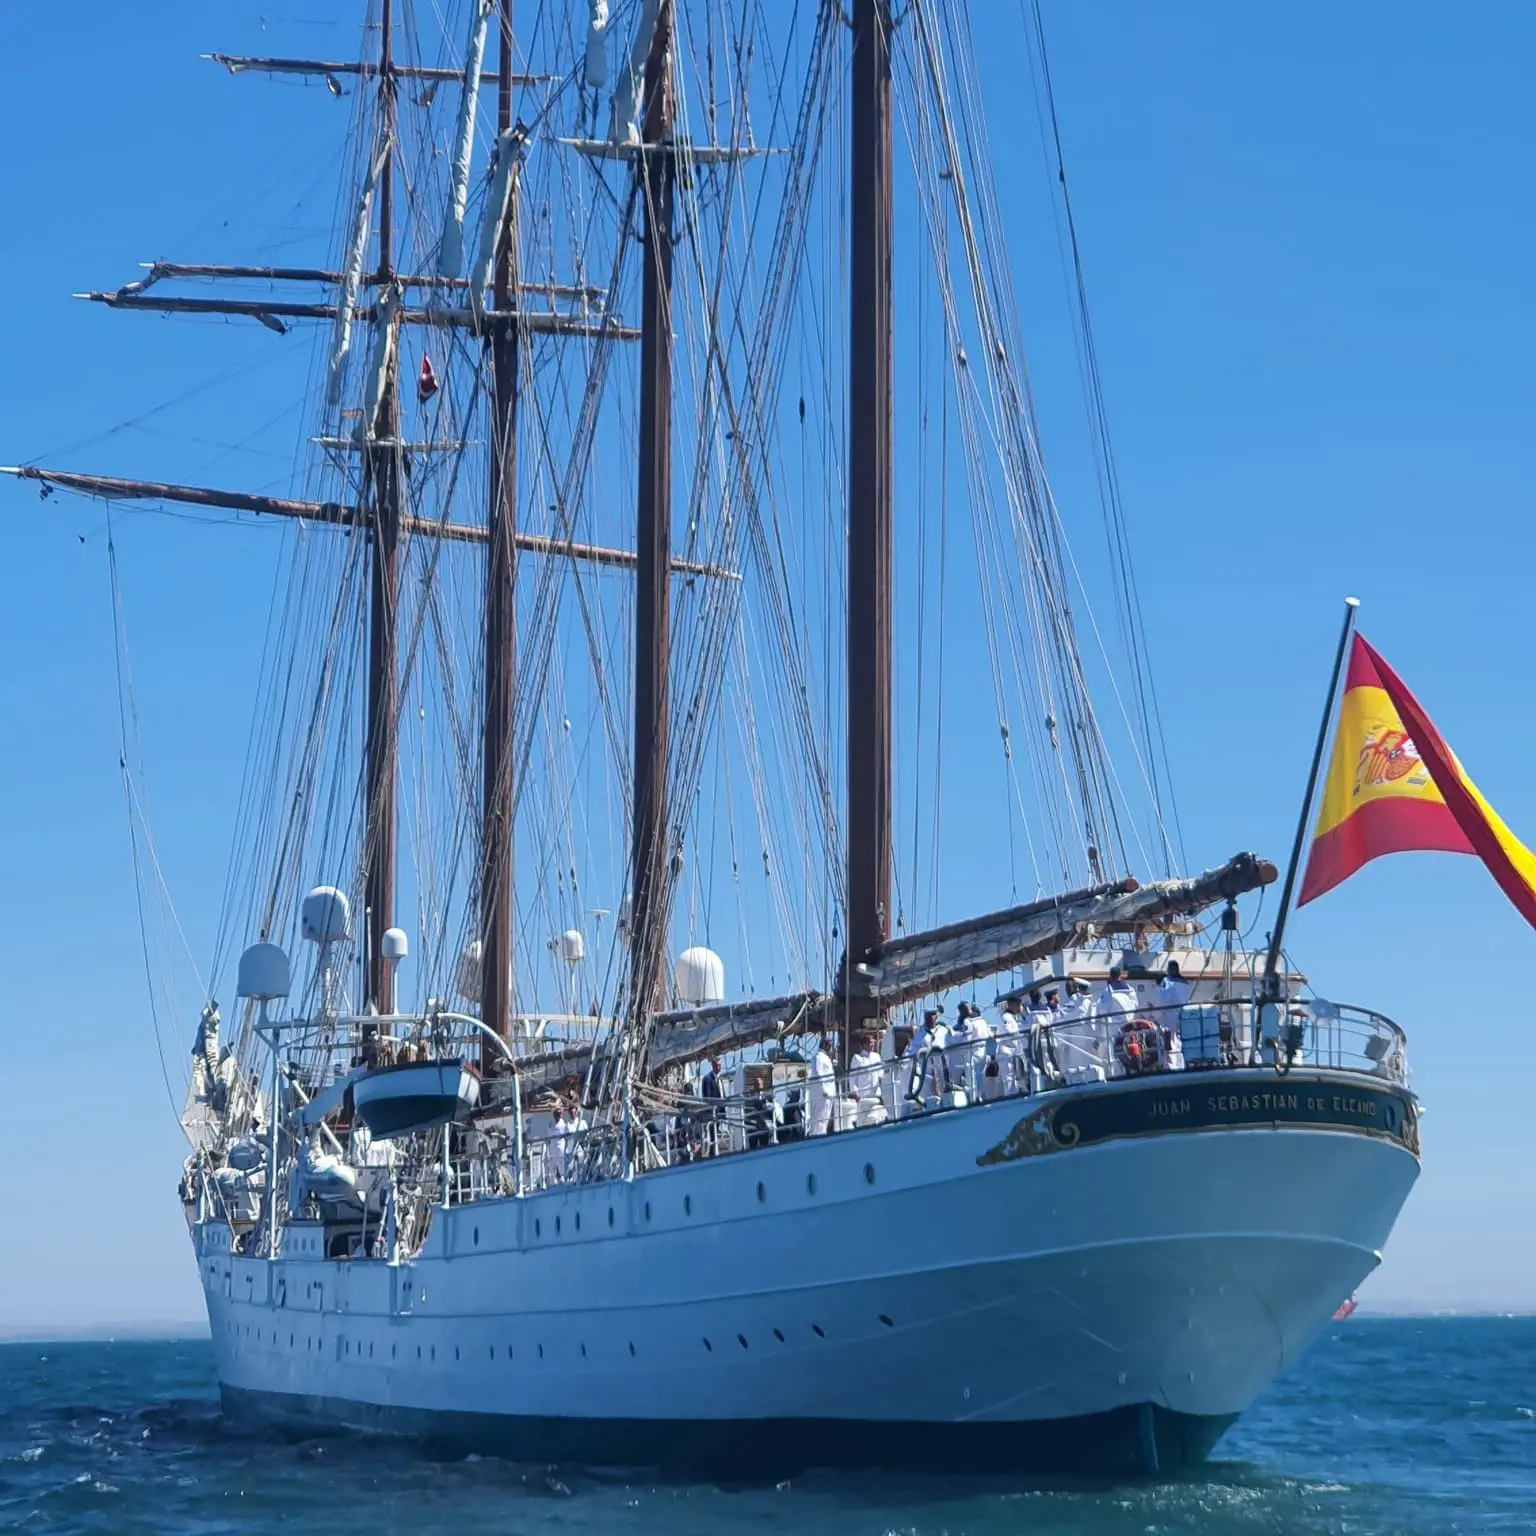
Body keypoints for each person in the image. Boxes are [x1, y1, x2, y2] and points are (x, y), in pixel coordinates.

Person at [1095, 966, 1141, 1075]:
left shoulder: (1109, 991)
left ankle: (1117, 1073)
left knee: (1115, 1054)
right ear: (1120, 975)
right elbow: (1136, 1005)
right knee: (1130, 1050)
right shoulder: (1130, 989)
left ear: (1110, 976)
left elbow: (1102, 1009)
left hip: (1115, 1028)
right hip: (1129, 1026)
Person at [807, 1035, 837, 1136]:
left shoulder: (826, 1058)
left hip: (829, 1093)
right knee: (819, 1117)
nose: (830, 1047)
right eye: (829, 1045)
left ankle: (822, 1134)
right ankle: (816, 1135)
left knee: (825, 1117)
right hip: (822, 1093)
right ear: (824, 1045)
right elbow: (818, 1074)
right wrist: (824, 1090)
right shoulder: (818, 1057)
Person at [849, 1035, 884, 1101]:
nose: (873, 1045)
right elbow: (852, 1078)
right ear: (864, 1044)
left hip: (876, 1094)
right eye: (870, 1043)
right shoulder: (857, 1058)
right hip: (863, 1094)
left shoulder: (876, 1056)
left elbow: (881, 1074)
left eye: (873, 1043)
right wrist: (855, 1094)